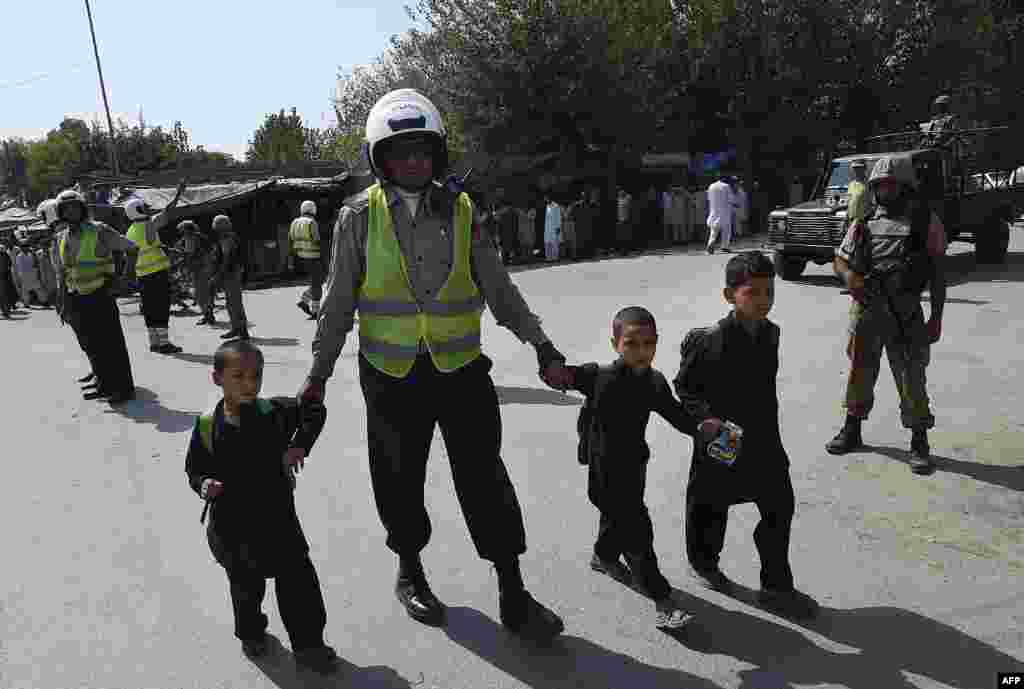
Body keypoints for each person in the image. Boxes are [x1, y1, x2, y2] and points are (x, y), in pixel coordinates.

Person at [299, 88, 571, 640]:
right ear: (381, 158)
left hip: (461, 369)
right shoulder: (357, 216)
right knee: (397, 478)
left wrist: (541, 346)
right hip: (391, 373)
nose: (414, 162)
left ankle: (513, 589)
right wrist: (317, 377)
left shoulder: (463, 209)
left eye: (424, 151)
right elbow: (336, 303)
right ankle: (410, 570)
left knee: (485, 476)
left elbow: (499, 287)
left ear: (438, 154)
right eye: (402, 153)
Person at [674, 251, 819, 619]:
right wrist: (708, 423)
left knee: (780, 505)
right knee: (710, 505)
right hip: (723, 439)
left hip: (764, 439)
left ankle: (776, 586)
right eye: (752, 292)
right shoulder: (708, 340)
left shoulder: (772, 334)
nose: (763, 301)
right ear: (729, 296)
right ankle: (704, 562)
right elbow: (685, 388)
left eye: (769, 292)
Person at [184, 340, 340, 674]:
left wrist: (299, 445)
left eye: (256, 376)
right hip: (232, 529)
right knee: (245, 589)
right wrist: (204, 484)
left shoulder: (277, 412)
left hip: (279, 522)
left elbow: (315, 410)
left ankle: (310, 644)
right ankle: (252, 633)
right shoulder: (208, 426)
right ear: (217, 378)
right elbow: (194, 468)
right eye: (238, 376)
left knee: (299, 584)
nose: (249, 384)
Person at [565, 306, 698, 631]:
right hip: (603, 473)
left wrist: (707, 427)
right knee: (638, 534)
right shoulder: (598, 376)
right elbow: (563, 376)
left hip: (634, 467)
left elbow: (678, 417)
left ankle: (604, 557)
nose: (642, 352)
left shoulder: (653, 382)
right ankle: (663, 600)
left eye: (649, 343)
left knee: (617, 521)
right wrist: (551, 364)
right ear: (615, 344)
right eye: (632, 344)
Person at [826, 154, 946, 474]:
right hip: (866, 310)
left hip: (905, 313)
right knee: (859, 373)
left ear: (906, 187)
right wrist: (850, 277)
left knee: (911, 379)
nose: (884, 191)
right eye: (880, 185)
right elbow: (840, 259)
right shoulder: (863, 222)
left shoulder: (924, 222)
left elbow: (936, 273)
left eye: (891, 185)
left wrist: (936, 317)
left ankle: (919, 440)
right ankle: (852, 428)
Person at [52, 188, 139, 404]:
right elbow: (62, 273)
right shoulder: (61, 238)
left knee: (111, 344)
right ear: (60, 212)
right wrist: (63, 301)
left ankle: (123, 389)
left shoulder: (100, 231)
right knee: (92, 344)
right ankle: (104, 384)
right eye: (66, 209)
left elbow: (132, 248)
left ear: (82, 209)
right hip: (76, 298)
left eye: (75, 207)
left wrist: (124, 279)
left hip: (100, 294)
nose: (71, 212)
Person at [124, 181, 187, 355]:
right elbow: (169, 211)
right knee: (161, 308)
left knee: (150, 310)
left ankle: (154, 343)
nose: (147, 209)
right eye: (144, 208)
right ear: (138, 210)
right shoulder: (149, 224)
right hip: (157, 274)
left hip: (142, 276)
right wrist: (178, 193)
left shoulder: (130, 231)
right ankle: (164, 343)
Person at [210, 214, 249, 340]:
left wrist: (218, 275)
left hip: (231, 273)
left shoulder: (227, 238)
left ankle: (242, 331)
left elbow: (226, 259)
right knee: (231, 302)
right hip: (232, 272)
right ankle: (236, 328)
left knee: (234, 302)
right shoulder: (229, 236)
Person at [178, 220, 218, 326]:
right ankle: (208, 315)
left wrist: (182, 263)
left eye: (182, 230)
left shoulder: (190, 238)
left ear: (186, 230)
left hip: (201, 268)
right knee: (207, 293)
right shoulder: (200, 236)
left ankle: (208, 316)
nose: (181, 232)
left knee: (200, 294)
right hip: (208, 267)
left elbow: (189, 254)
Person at [289, 200, 323, 320]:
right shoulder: (311, 222)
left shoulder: (295, 222)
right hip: (313, 257)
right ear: (313, 209)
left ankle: (304, 300)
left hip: (301, 258)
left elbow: (291, 239)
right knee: (318, 284)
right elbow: (317, 240)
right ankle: (315, 311)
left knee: (315, 282)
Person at [706, 172, 735, 254]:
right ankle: (724, 246)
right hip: (724, 211)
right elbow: (730, 199)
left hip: (714, 211)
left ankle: (710, 243)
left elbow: (709, 199)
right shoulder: (726, 186)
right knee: (726, 230)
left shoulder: (711, 186)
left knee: (714, 230)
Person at [845, 160, 872, 229]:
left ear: (864, 169)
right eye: (855, 168)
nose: (857, 171)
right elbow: (849, 204)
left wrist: (867, 218)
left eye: (859, 168)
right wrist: (845, 220)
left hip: (864, 221)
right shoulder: (851, 184)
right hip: (851, 221)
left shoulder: (869, 184)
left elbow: (874, 204)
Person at [544, 197, 562, 262]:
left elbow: (558, 217)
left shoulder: (556, 206)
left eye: (546, 198)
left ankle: (555, 258)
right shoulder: (546, 206)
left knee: (554, 243)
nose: (545, 199)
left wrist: (558, 227)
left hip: (554, 227)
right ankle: (548, 258)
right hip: (547, 228)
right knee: (547, 243)